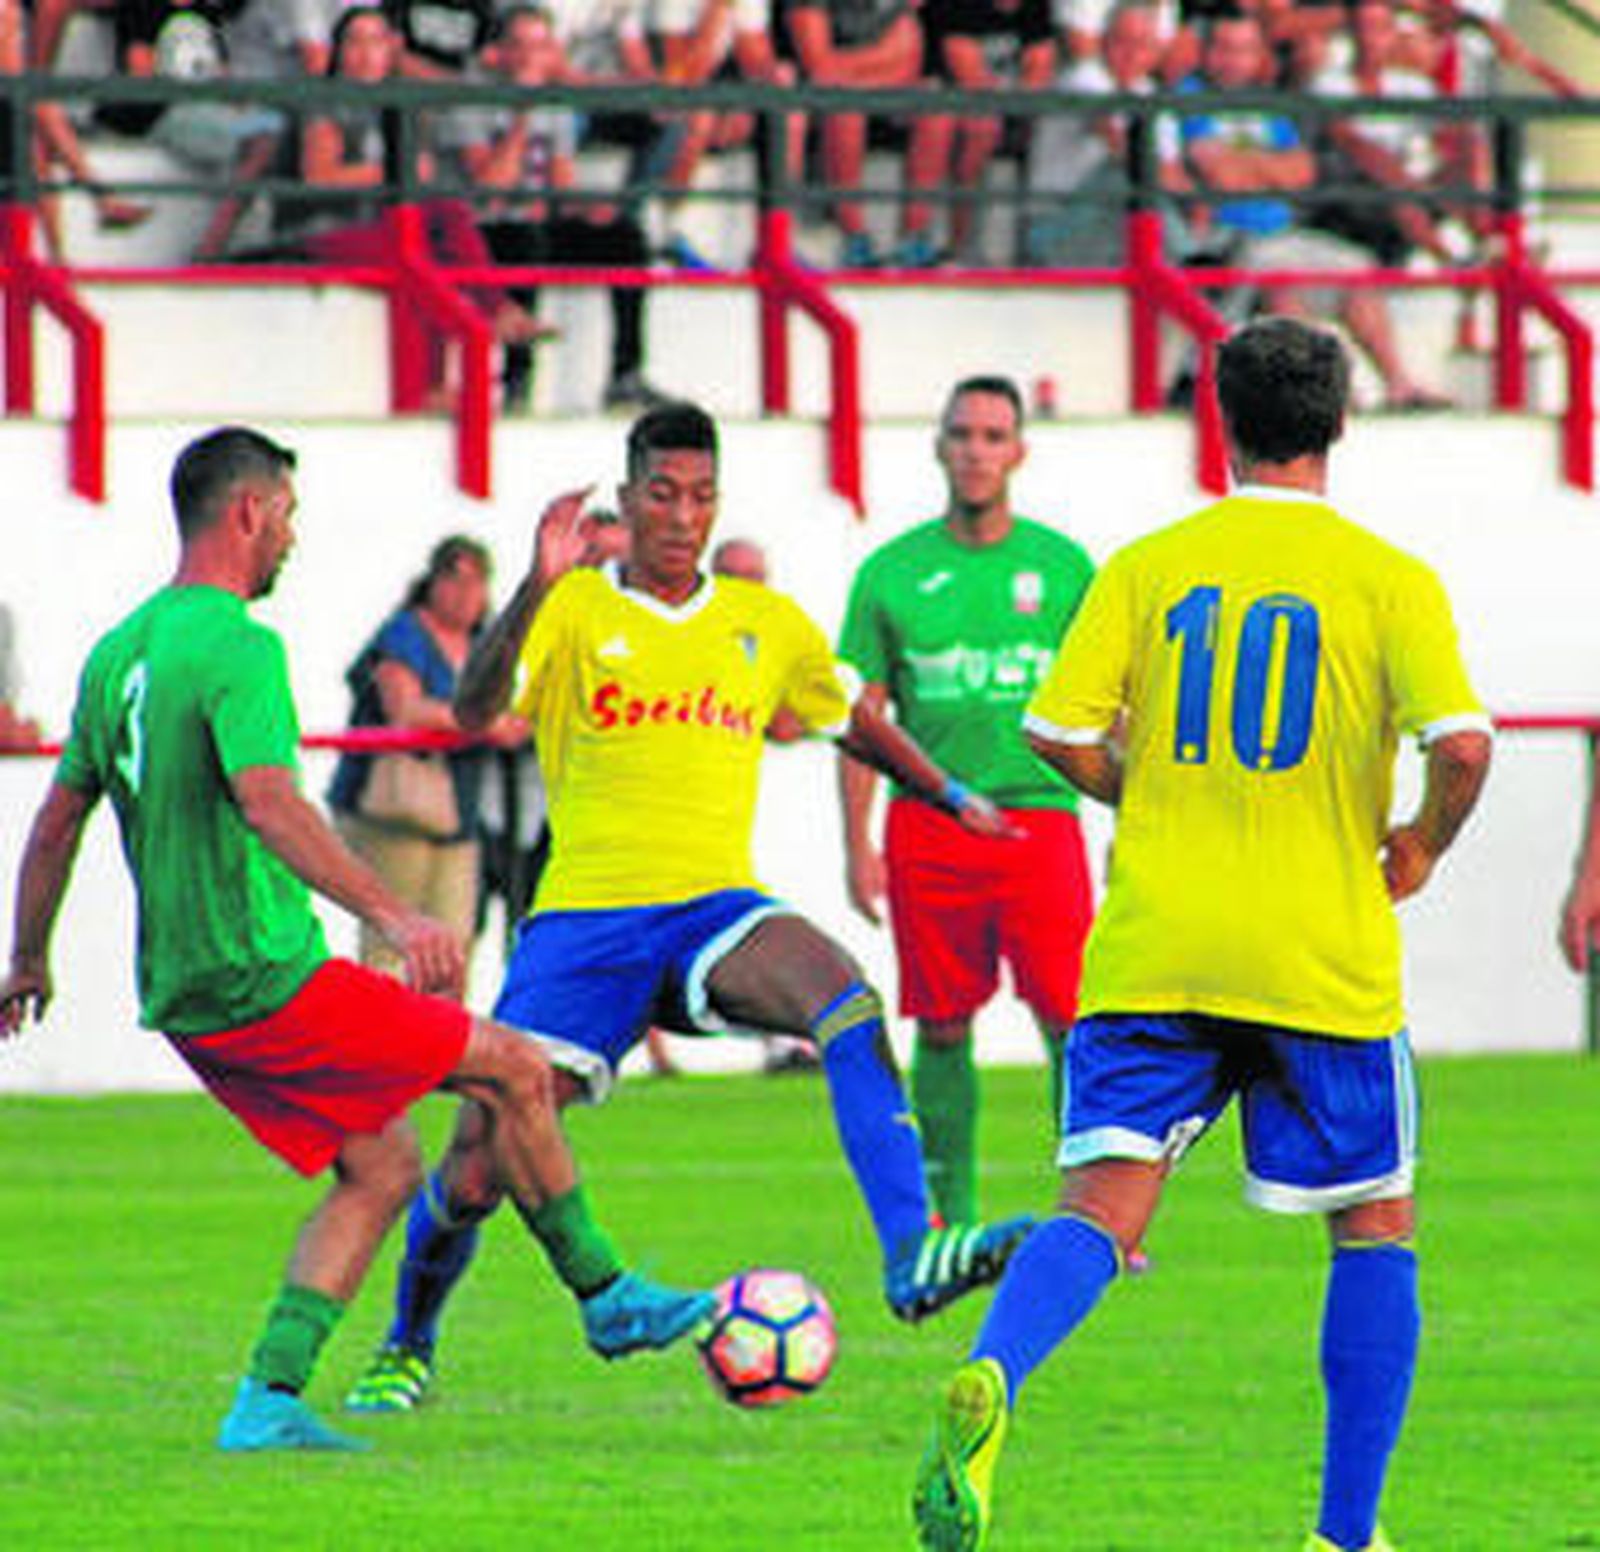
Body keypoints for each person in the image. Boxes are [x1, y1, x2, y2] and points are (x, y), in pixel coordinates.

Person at [0, 427, 713, 1453]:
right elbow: (270, 801)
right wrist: (395, 912)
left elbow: (60, 816)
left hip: (187, 995)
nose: (291, 534)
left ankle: (266, 1399)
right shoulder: (239, 645)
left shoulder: (121, 651)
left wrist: (29, 957)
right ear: (247, 512)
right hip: (263, 977)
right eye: (285, 512)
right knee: (513, 1067)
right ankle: (608, 1296)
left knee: (382, 1163)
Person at [909, 317, 1493, 1552]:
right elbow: (1463, 743)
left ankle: (995, 1377)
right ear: (1339, 421)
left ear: (1219, 422)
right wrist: (1422, 841)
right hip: (1318, 951)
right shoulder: (1389, 576)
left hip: (1158, 947)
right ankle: (1343, 1533)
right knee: (1372, 1224)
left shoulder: (1148, 564)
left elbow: (1054, 734)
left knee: (1099, 1211)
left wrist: (1147, 787)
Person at [343, 400, 1037, 1413]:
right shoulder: (575, 610)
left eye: (701, 495)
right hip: (584, 921)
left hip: (714, 910)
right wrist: (535, 586)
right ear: (626, 499)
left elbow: (854, 718)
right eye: (661, 493)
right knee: (478, 1161)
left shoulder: (761, 621)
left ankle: (913, 1254)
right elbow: (483, 708)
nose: (682, 514)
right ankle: (407, 1340)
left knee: (843, 993)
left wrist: (950, 794)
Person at [837, 376, 1095, 1228]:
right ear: (939, 447)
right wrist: (858, 846)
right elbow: (862, 720)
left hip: (1041, 818)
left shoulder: (1062, 568)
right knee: (941, 1024)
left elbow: (1114, 710)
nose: (977, 450)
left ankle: (1090, 1213)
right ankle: (951, 1214)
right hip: (931, 826)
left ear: (1019, 451)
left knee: (1070, 1016)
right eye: (963, 434)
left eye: (994, 435)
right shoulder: (890, 573)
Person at [1177, 13, 1452, 412]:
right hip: (1226, 238)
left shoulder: (1268, 103)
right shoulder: (1186, 99)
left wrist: (1245, 167)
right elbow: (1216, 173)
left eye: (1245, 50)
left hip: (1283, 234)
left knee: (1358, 268)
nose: (1234, 61)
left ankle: (1399, 384)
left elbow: (1302, 172)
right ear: (1205, 53)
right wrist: (1268, 167)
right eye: (1224, 49)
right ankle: (1319, 400)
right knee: (1283, 284)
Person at [438, 5, 668, 413]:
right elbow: (489, 188)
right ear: (499, 52)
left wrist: (589, 209)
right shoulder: (468, 100)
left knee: (624, 238)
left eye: (541, 46)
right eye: (520, 45)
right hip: (485, 231)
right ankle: (516, 381)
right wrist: (524, 115)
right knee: (524, 237)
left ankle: (626, 374)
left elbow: (560, 184)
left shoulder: (555, 104)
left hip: (535, 222)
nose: (530, 57)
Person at [326, 535, 527, 983]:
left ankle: (443, 1048)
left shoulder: (484, 639)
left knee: (454, 942)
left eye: (477, 583)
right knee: (393, 939)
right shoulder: (404, 634)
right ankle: (384, 1046)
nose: (465, 594)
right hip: (394, 812)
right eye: (454, 580)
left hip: (460, 812)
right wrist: (482, 723)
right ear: (432, 582)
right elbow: (405, 709)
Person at [785, 0, 954, 268]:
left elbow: (909, 59)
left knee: (935, 107)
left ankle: (913, 239)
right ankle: (854, 237)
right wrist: (883, 58)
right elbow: (819, 68)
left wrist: (855, 76)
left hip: (876, 88)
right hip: (815, 100)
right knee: (845, 107)